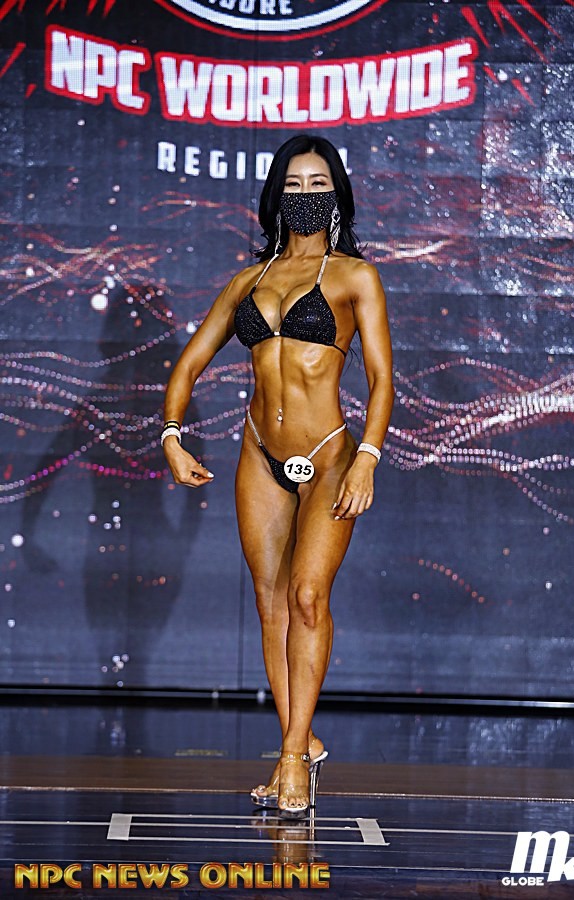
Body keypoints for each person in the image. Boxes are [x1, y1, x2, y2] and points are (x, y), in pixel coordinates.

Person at [162, 134, 394, 818]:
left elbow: (382, 379)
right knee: (271, 604)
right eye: (293, 185)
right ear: (275, 196)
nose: (305, 195)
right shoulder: (248, 281)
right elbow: (189, 363)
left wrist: (368, 457)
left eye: (318, 184)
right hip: (260, 454)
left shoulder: (355, 276)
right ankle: (298, 742)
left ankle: (293, 757)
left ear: (337, 195)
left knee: (307, 597)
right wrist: (172, 435)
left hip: (329, 457)